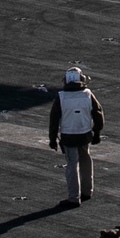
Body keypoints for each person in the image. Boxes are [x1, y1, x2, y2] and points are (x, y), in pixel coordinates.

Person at [49, 65, 105, 207]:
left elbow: (54, 119)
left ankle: (73, 198)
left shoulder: (61, 97)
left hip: (68, 135)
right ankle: (87, 191)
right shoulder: (88, 94)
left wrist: (52, 138)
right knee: (86, 160)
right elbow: (98, 114)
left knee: (72, 164)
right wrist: (97, 132)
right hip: (85, 133)